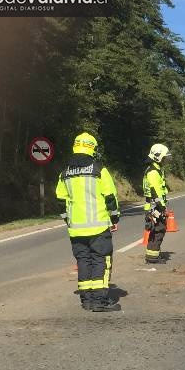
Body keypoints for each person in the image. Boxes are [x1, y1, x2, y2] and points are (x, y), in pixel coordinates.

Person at [55, 132, 121, 312]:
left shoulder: (65, 173)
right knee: (100, 261)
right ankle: (100, 301)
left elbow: (60, 201)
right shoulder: (99, 170)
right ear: (92, 149)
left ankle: (87, 300)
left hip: (76, 229)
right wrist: (114, 218)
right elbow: (110, 197)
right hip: (98, 226)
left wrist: (68, 220)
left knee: (83, 262)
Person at [143, 143, 170, 264]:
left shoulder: (156, 170)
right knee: (158, 230)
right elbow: (155, 192)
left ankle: (153, 255)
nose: (165, 160)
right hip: (154, 207)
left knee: (157, 230)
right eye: (164, 158)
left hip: (154, 206)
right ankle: (152, 257)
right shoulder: (153, 172)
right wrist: (162, 207)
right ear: (157, 157)